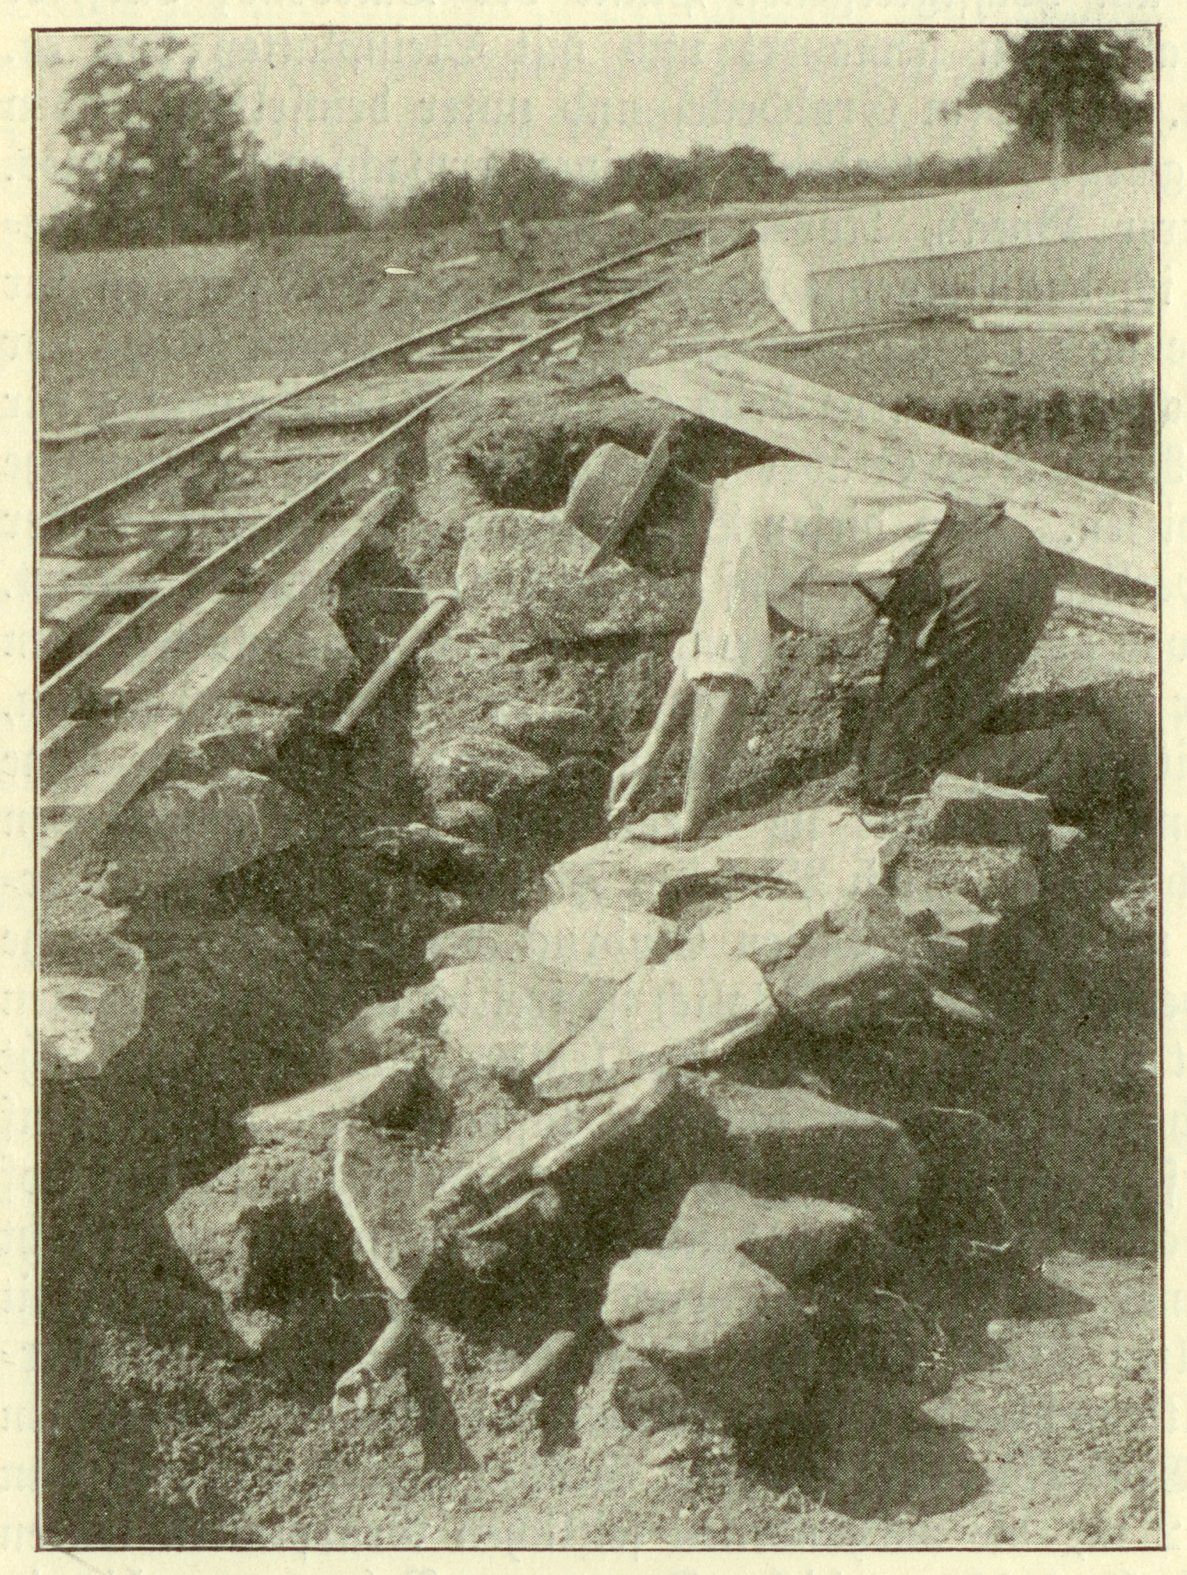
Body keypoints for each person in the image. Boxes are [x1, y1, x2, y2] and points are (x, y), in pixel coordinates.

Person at [561, 432, 1056, 843]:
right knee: (902, 735)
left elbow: (726, 684)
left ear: (658, 542)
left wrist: (689, 819)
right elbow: (707, 645)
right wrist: (650, 753)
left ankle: (1077, 751)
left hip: (978, 587)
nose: (662, 574)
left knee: (893, 786)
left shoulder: (736, 537)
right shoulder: (743, 494)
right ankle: (1031, 728)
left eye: (647, 563)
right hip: (993, 556)